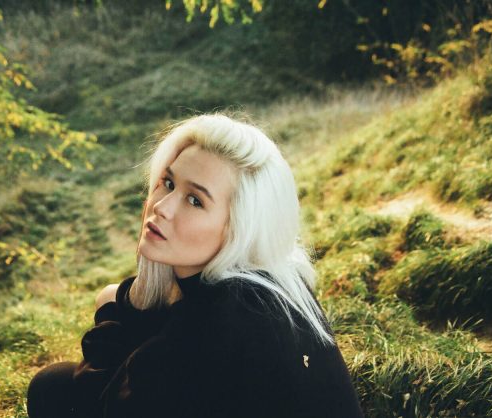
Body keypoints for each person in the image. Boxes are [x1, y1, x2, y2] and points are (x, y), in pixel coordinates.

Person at [26, 114, 364, 418]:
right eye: (169, 183)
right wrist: (123, 300)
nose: (162, 207)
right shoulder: (276, 284)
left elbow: (105, 404)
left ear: (239, 228)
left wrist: (109, 315)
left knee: (52, 387)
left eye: (194, 200)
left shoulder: (216, 321)